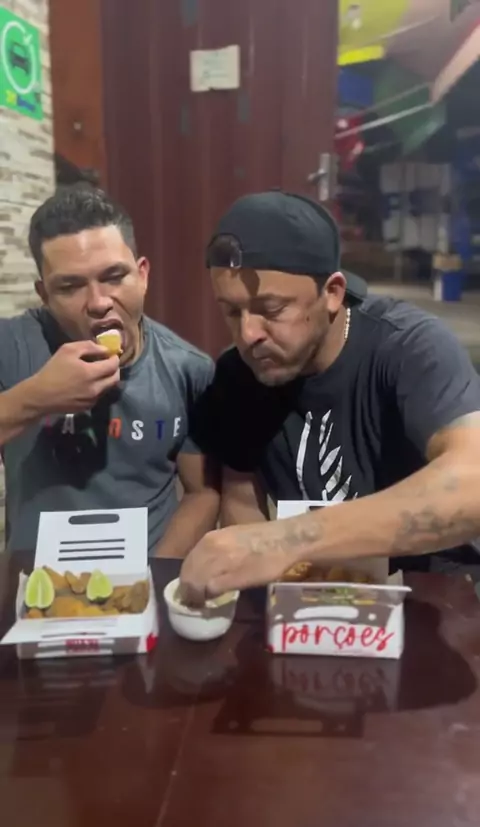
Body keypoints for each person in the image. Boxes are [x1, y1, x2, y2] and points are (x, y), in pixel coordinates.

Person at [180, 190, 480, 601]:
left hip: (435, 596)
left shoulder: (409, 347)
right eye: (232, 311)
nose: (248, 334)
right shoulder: (238, 375)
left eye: (271, 309)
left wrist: (287, 540)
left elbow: (472, 483)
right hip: (311, 603)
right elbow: (241, 497)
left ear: (333, 292)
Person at [0, 184, 219, 555]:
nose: (99, 302)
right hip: (35, 579)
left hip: (145, 571)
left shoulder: (188, 368)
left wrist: (153, 574)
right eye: (70, 286)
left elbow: (203, 493)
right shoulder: (11, 346)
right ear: (44, 295)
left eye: (114, 277)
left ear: (142, 275)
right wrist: (35, 399)